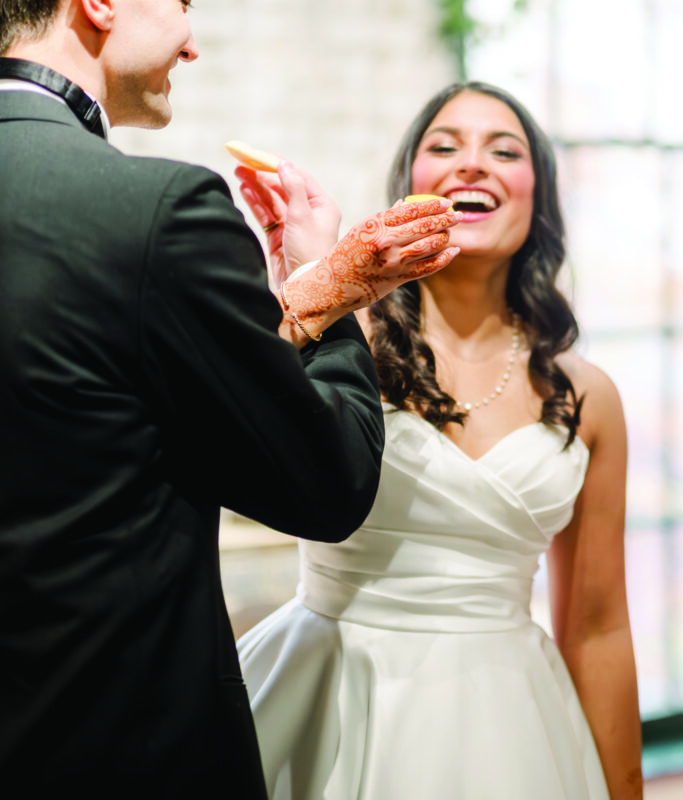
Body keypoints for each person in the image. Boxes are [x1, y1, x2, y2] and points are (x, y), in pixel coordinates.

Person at [0, 0, 460, 797]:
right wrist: (329, 298)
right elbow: (322, 487)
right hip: (117, 749)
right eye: (184, 1)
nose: (192, 41)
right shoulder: (156, 211)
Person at [237, 82, 643, 799]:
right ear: (408, 189)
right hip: (334, 687)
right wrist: (311, 286)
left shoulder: (586, 395)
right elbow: (224, 418)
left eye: (504, 150)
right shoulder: (338, 335)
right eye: (444, 147)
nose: (472, 165)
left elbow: (599, 627)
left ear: (537, 197)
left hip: (511, 719)